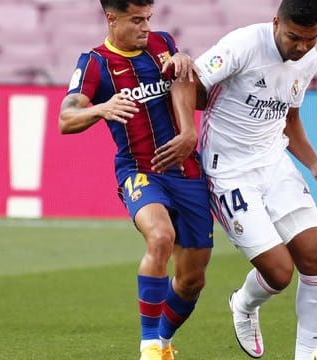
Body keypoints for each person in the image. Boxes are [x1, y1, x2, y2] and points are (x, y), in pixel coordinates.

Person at [162, 0, 317, 359]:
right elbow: (185, 81)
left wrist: (315, 165)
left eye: (312, 39)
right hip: (229, 171)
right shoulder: (243, 45)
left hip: (273, 162)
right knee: (279, 273)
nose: (302, 47)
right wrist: (187, 133)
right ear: (276, 22)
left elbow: (289, 117)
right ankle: (243, 304)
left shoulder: (309, 59)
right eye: (295, 37)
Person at [59, 1, 214, 359]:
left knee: (192, 280)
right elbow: (65, 119)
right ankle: (149, 348)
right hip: (139, 170)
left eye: (148, 18)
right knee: (160, 237)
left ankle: (163, 341)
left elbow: (191, 93)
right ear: (111, 19)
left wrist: (187, 66)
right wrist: (101, 108)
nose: (146, 27)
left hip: (187, 172)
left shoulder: (163, 45)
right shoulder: (95, 63)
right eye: (136, 20)